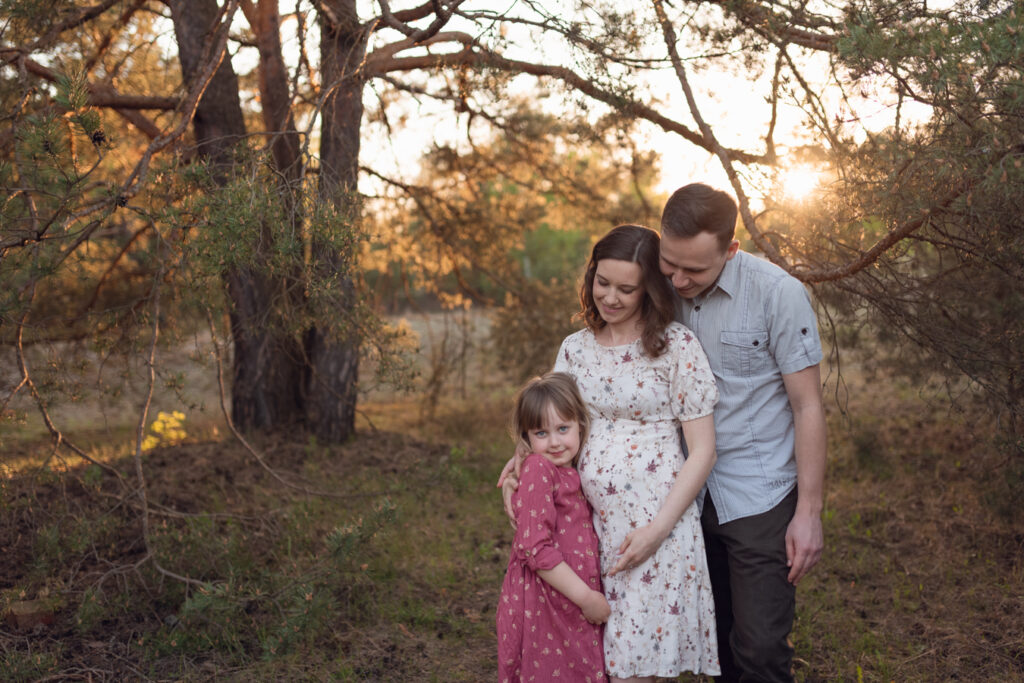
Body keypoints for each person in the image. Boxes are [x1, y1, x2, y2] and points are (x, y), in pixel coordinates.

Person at [502, 225, 721, 682]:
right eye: (603, 283)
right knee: (596, 663)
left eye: (627, 288)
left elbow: (703, 452)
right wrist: (518, 462)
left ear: (649, 290)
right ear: (591, 276)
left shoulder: (676, 347)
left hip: (656, 528)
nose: (611, 298)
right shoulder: (575, 348)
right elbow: (548, 422)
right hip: (587, 533)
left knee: (637, 668)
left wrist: (656, 531)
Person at [658, 183, 827, 682]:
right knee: (713, 641)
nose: (680, 279)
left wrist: (809, 513)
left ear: (731, 250)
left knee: (760, 649)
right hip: (681, 493)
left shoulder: (778, 294)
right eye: (672, 263)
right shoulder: (655, 281)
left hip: (758, 494)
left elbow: (808, 405)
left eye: (696, 269)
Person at [497, 371, 610, 683]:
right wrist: (586, 598)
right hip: (546, 602)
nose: (556, 442)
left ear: (580, 426)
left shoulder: (566, 471)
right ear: (526, 437)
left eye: (563, 428)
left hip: (565, 598)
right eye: (541, 433)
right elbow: (534, 547)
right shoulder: (538, 468)